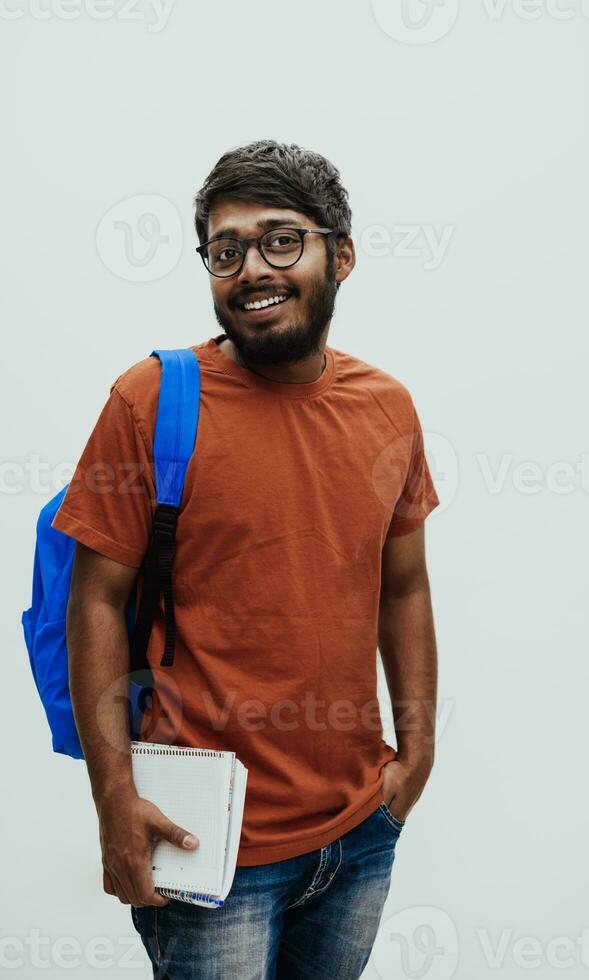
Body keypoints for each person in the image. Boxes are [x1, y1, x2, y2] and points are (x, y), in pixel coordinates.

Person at [52, 139, 440, 979]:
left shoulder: (388, 408)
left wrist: (418, 754)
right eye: (225, 250)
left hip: (359, 831)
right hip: (206, 845)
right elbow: (93, 603)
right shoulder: (151, 400)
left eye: (280, 240)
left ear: (341, 255)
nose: (251, 268)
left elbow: (402, 586)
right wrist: (113, 803)